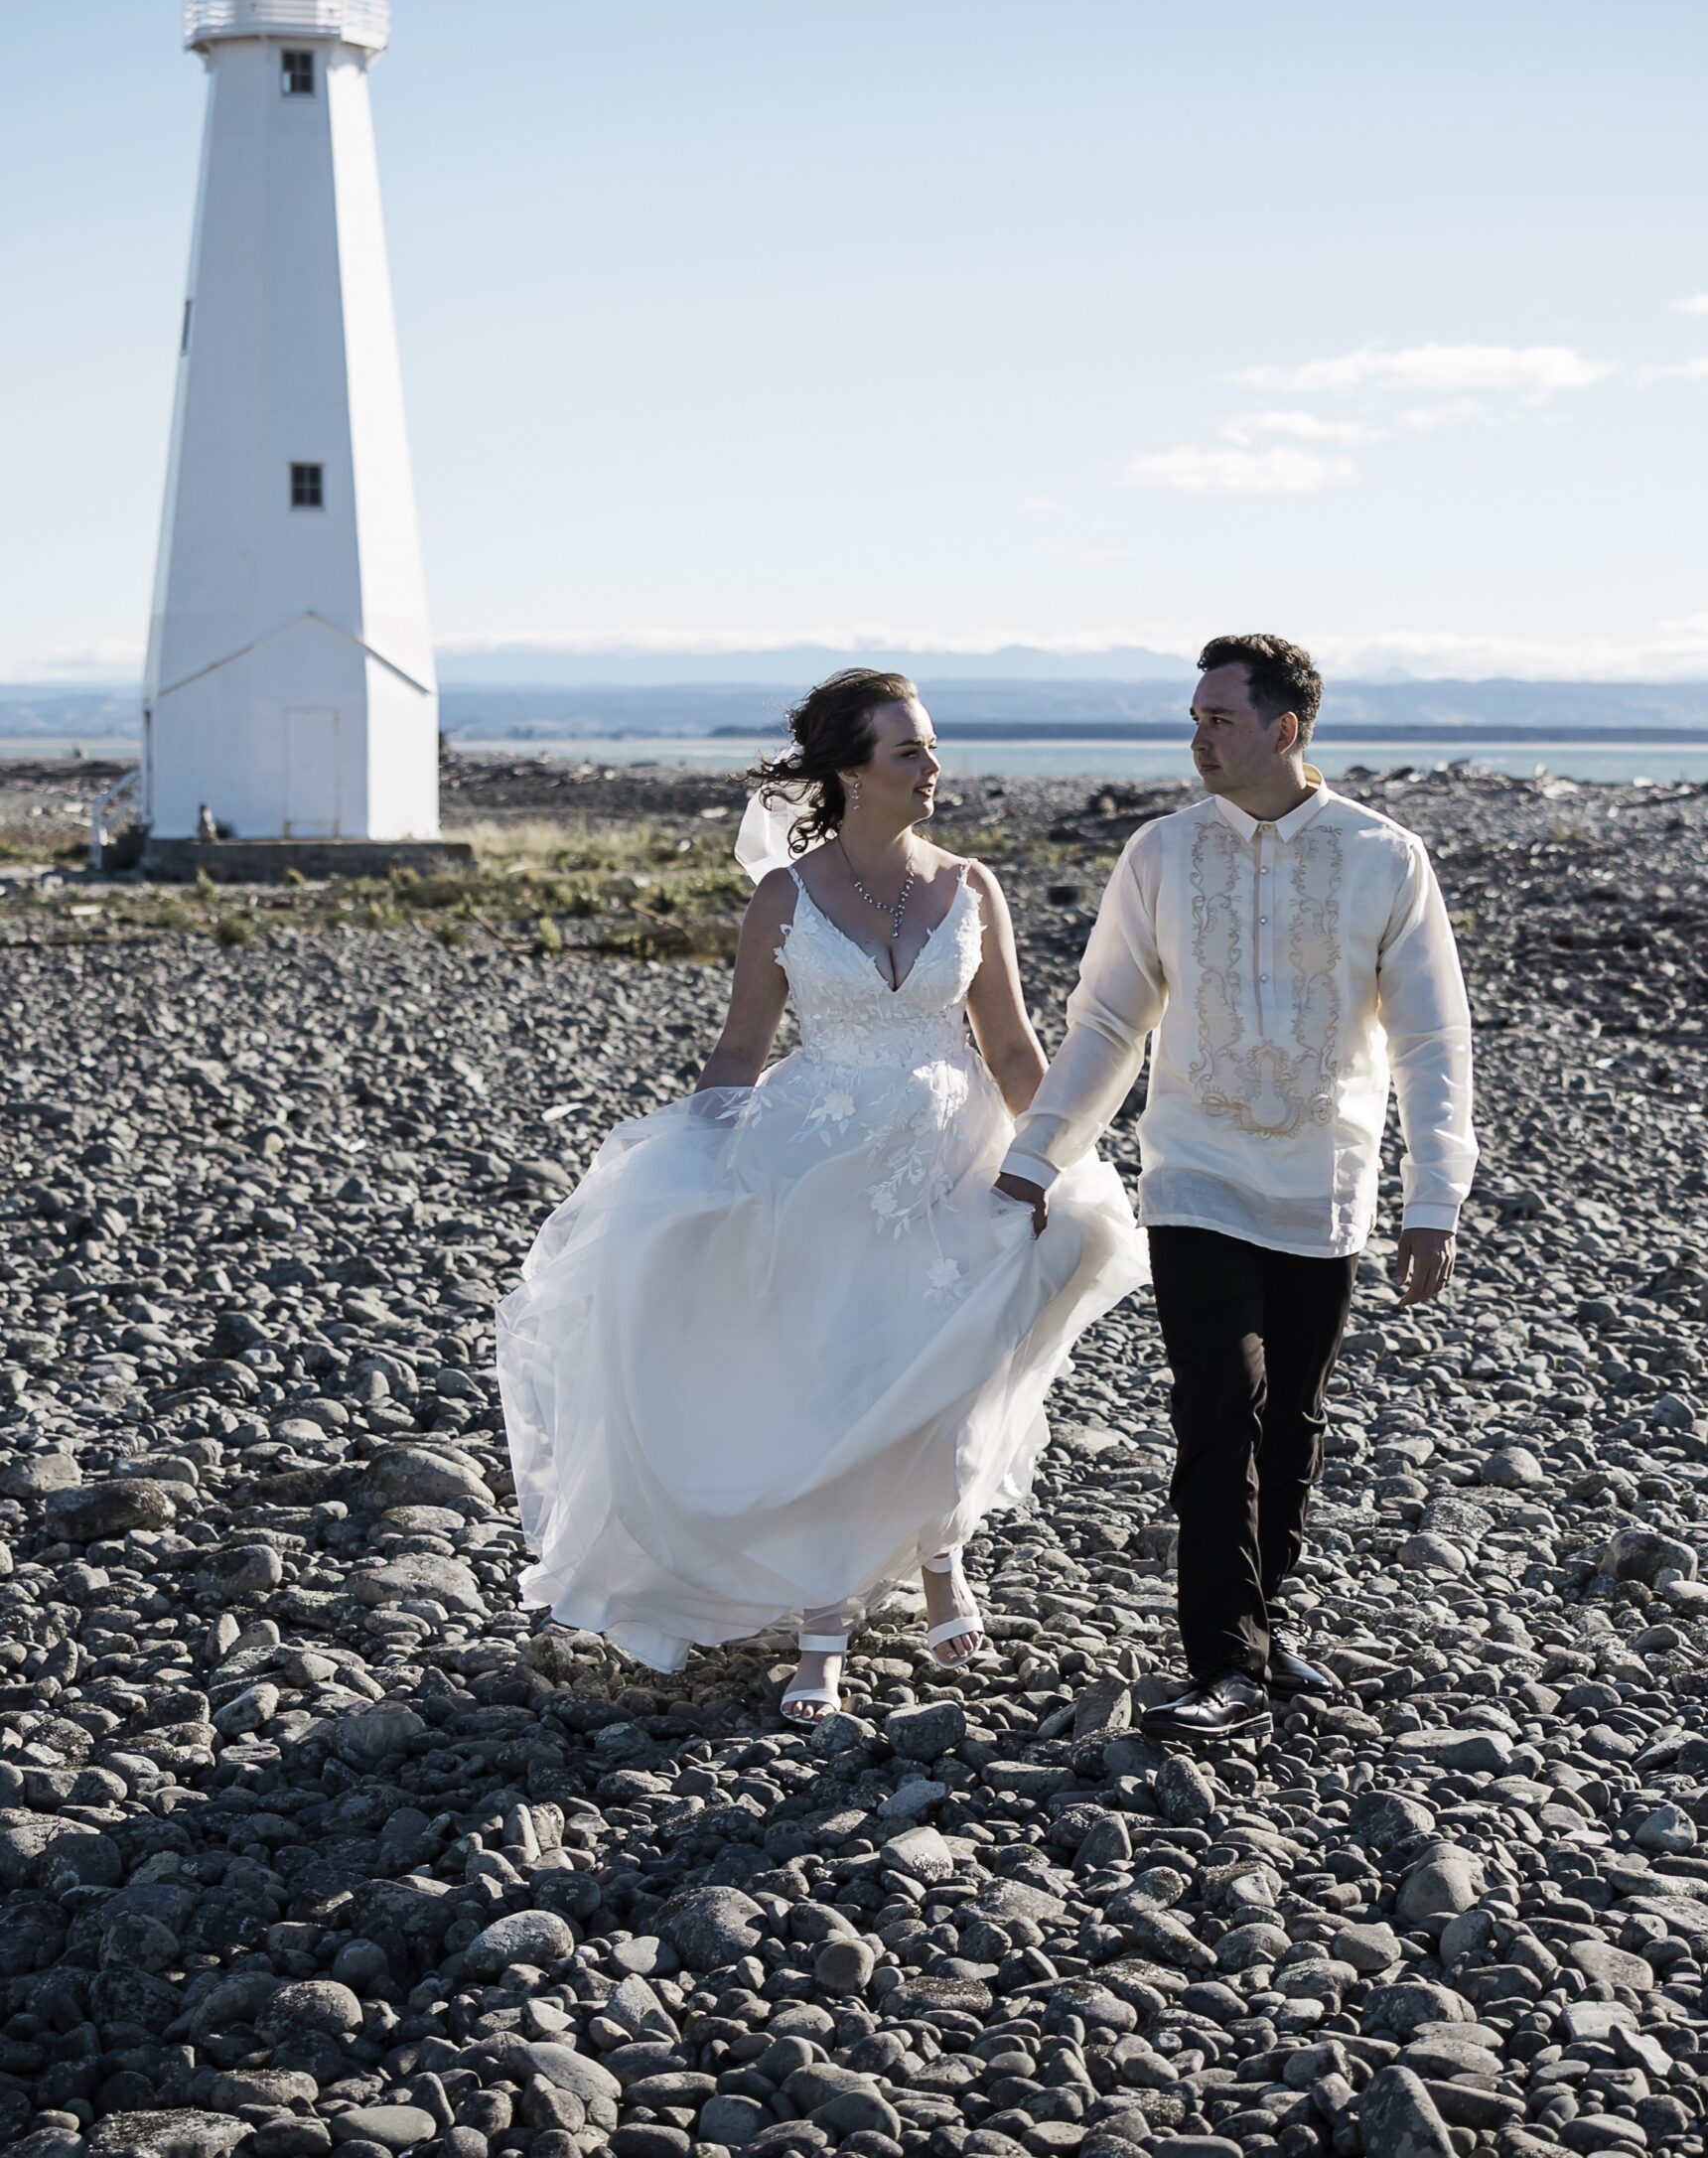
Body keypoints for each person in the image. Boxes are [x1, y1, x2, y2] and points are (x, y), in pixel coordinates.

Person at [496, 667, 1148, 1722]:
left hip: (956, 1157)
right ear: (850, 771)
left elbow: (1015, 1047)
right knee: (837, 1376)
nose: (934, 767)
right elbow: (741, 1046)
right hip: (821, 1164)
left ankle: (943, 1560)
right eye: (909, 751)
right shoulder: (783, 898)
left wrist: (1058, 1156)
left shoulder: (972, 886)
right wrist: (694, 1168)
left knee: (946, 1365)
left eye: (931, 748)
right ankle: (823, 1618)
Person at [996, 634, 1477, 1744]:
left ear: (1285, 729)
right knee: (1221, 1403)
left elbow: (1431, 1042)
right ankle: (1220, 1662)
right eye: (1195, 716)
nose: (1197, 736)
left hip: (1324, 1182)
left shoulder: (1384, 857)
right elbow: (1109, 1020)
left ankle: (1262, 1625)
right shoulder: (1161, 854)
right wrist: (1038, 1155)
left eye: (1218, 717)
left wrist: (1432, 1197)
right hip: (1195, 1173)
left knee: (1293, 1422)